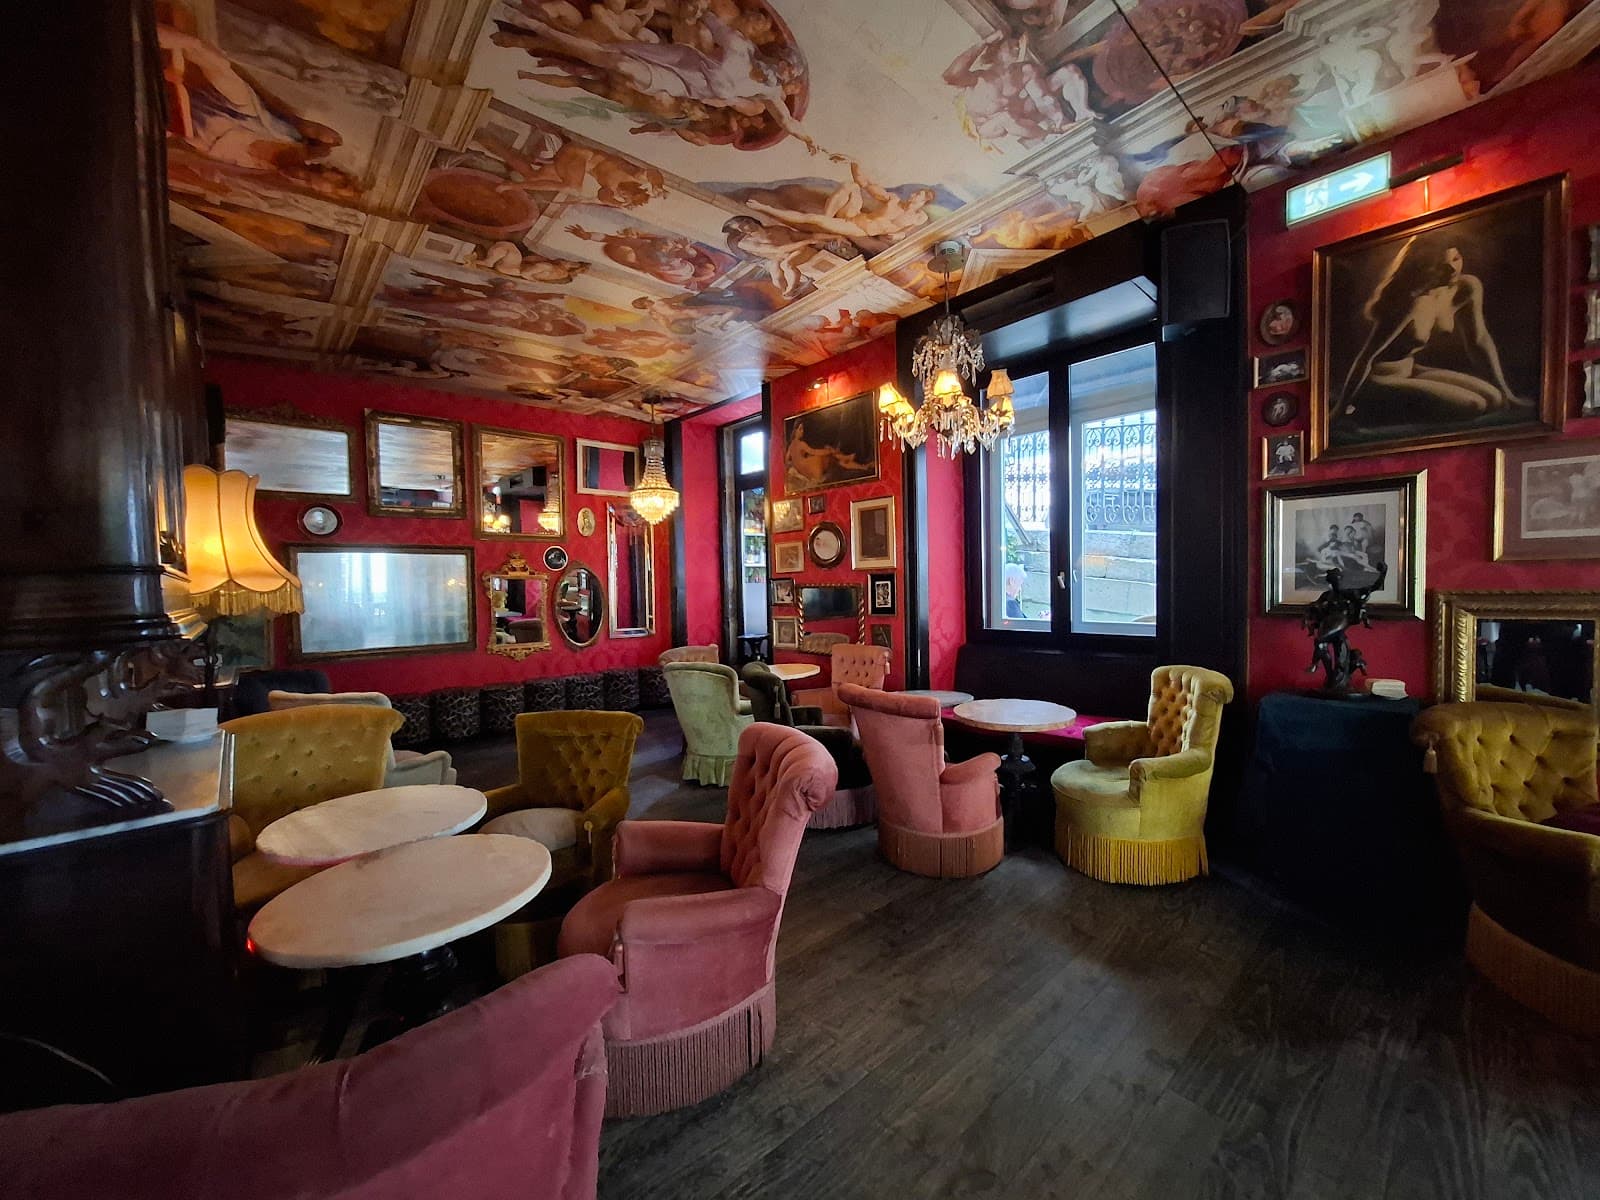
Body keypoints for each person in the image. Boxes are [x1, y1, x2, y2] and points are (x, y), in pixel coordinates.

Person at [1336, 237, 1527, 428]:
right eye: (1442, 265)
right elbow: (1367, 357)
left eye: (1456, 259)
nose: (1453, 269)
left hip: (1411, 370)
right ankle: (1373, 408)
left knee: (1495, 399)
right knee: (1475, 404)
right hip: (1380, 378)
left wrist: (1508, 394)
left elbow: (1478, 340)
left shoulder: (1467, 287)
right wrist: (1339, 410)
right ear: (1426, 266)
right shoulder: (1411, 301)